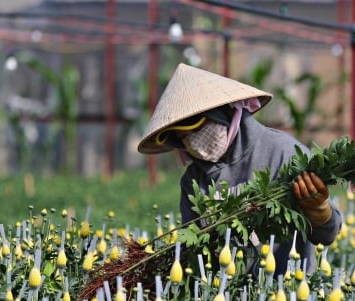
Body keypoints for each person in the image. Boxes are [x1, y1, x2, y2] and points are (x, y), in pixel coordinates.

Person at [137, 63, 342, 277]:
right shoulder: (193, 181)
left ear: (223, 114)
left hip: (288, 291)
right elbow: (194, 254)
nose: (193, 142)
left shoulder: (285, 154)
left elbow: (327, 235)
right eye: (183, 137)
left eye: (198, 128)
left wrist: (319, 211)